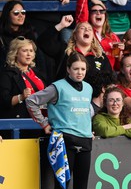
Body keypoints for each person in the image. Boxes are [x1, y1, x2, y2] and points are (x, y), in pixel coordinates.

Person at [26, 53, 93, 189]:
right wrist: (44, 123)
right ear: (68, 69)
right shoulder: (57, 87)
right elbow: (31, 101)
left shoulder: (88, 88)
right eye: (76, 69)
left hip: (85, 140)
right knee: (62, 185)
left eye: (83, 69)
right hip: (64, 141)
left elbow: (86, 110)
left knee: (82, 185)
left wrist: (88, 128)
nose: (80, 72)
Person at [37, 17, 112, 82]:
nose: (87, 30)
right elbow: (42, 42)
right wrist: (61, 25)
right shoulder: (65, 51)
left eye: (90, 29)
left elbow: (109, 80)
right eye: (82, 28)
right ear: (75, 35)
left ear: (93, 37)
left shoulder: (100, 57)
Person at [0, 37, 46, 121]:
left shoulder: (37, 72)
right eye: (25, 51)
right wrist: (21, 97)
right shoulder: (7, 74)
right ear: (16, 53)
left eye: (31, 51)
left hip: (40, 119)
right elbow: (3, 101)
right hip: (20, 121)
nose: (29, 54)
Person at [0, 0, 35, 69]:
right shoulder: (1, 34)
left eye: (23, 12)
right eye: (16, 13)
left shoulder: (29, 32)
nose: (21, 16)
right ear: (7, 14)